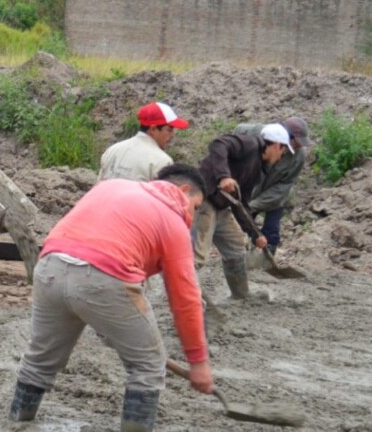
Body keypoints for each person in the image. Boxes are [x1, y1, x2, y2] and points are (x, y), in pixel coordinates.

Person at [8, 164, 215, 432]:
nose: (192, 216)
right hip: (104, 279)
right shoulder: (173, 219)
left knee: (41, 359)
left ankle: (16, 423)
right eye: (196, 206)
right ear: (184, 191)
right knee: (148, 365)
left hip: (50, 267)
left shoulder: (111, 186)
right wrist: (198, 361)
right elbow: (186, 299)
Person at [194, 123, 293, 299]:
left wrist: (255, 234)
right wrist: (223, 176)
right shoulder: (250, 144)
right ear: (277, 145)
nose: (281, 156)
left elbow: (241, 203)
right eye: (283, 151)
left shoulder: (257, 170)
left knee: (235, 247)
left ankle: (241, 293)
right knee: (198, 255)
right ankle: (188, 297)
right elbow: (218, 144)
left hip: (221, 205)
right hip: (204, 198)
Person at [233, 116, 310, 255]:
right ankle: (239, 256)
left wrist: (253, 206)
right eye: (297, 143)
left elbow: (283, 186)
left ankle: (265, 261)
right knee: (240, 226)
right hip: (249, 189)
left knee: (272, 232)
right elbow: (238, 134)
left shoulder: (299, 156)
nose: (299, 147)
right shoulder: (258, 133)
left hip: (275, 196)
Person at [98, 101, 189, 181]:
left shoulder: (113, 150)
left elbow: (98, 188)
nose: (172, 135)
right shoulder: (161, 161)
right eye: (169, 130)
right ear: (153, 129)